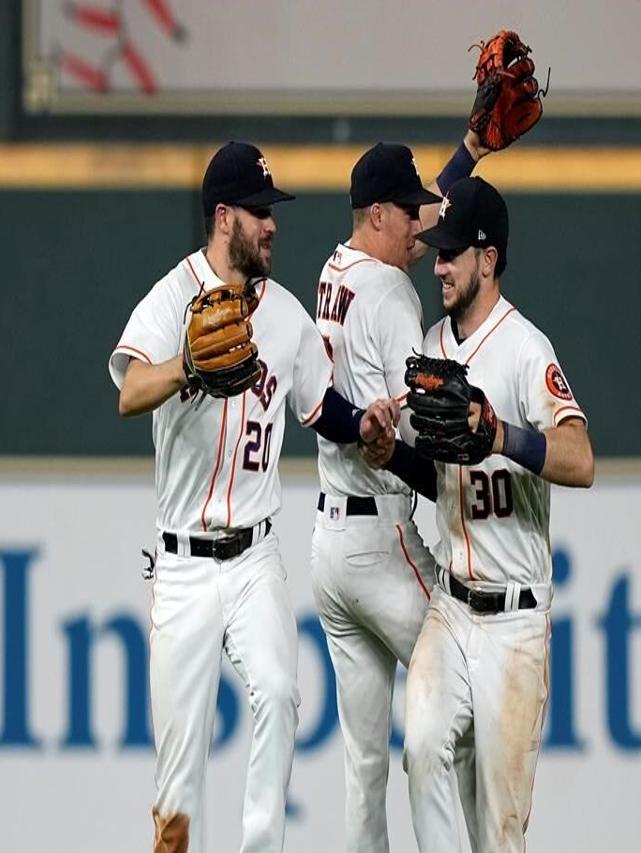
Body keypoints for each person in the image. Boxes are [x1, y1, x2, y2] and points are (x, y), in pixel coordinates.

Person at [108, 140, 396, 853]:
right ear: (223, 215)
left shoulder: (288, 315)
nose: (272, 225)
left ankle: (261, 844)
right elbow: (129, 390)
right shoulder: (173, 297)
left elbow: (318, 405)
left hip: (255, 554)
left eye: (273, 213)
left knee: (277, 689)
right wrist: (186, 365)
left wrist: (359, 423)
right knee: (176, 793)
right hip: (181, 563)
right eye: (259, 212)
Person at [367, 176, 595, 853]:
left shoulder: (525, 347)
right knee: (424, 749)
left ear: (487, 259)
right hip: (452, 602)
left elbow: (581, 459)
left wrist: (502, 436)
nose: (436, 265)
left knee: (500, 830)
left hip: (515, 622)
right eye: (434, 252)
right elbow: (442, 481)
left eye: (450, 254)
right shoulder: (432, 344)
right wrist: (389, 457)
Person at [310, 131, 495, 853]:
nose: (424, 227)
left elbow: (423, 216)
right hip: (382, 541)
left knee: (363, 765)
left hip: (328, 542)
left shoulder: (337, 263)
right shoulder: (387, 293)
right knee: (464, 711)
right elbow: (413, 422)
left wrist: (470, 148)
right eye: (412, 212)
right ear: (380, 214)